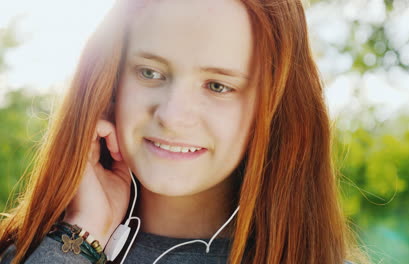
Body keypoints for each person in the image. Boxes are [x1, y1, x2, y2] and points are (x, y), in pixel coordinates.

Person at [0, 0, 366, 263]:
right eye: (150, 73)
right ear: (111, 82)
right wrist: (81, 236)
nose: (173, 116)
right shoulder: (27, 253)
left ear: (274, 110)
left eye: (218, 86)